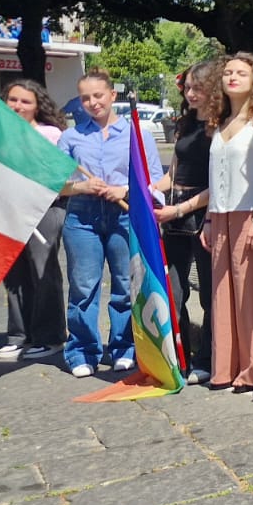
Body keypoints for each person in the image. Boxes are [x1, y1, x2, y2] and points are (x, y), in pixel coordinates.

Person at [57, 70, 164, 377]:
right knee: (83, 286)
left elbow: (154, 180)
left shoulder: (136, 134)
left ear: (112, 95)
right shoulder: (71, 137)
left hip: (124, 213)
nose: (93, 102)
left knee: (125, 284)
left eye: (98, 95)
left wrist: (125, 189)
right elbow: (55, 183)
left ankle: (125, 347)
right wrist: (81, 186)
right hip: (82, 215)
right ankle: (82, 351)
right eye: (85, 98)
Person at [204, 53, 253, 391]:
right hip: (220, 214)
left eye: (241, 73)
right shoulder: (220, 123)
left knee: (252, 296)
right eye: (228, 72)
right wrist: (208, 218)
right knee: (221, 295)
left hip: (250, 212)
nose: (232, 77)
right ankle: (223, 368)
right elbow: (215, 176)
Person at [151, 63, 218, 383]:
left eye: (198, 88)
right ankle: (179, 356)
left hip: (204, 213)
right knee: (174, 290)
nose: (191, 94)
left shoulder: (221, 125)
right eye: (187, 87)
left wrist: (179, 210)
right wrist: (147, 189)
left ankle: (207, 358)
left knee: (208, 293)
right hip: (174, 212)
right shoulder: (185, 122)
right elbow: (172, 173)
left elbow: (218, 183)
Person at [0, 80, 69, 361]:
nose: (18, 106)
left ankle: (50, 337)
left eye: (25, 101)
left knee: (43, 273)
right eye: (13, 100)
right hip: (9, 211)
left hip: (43, 211)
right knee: (14, 276)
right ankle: (19, 335)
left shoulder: (50, 134)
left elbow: (57, 175)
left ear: (38, 106)